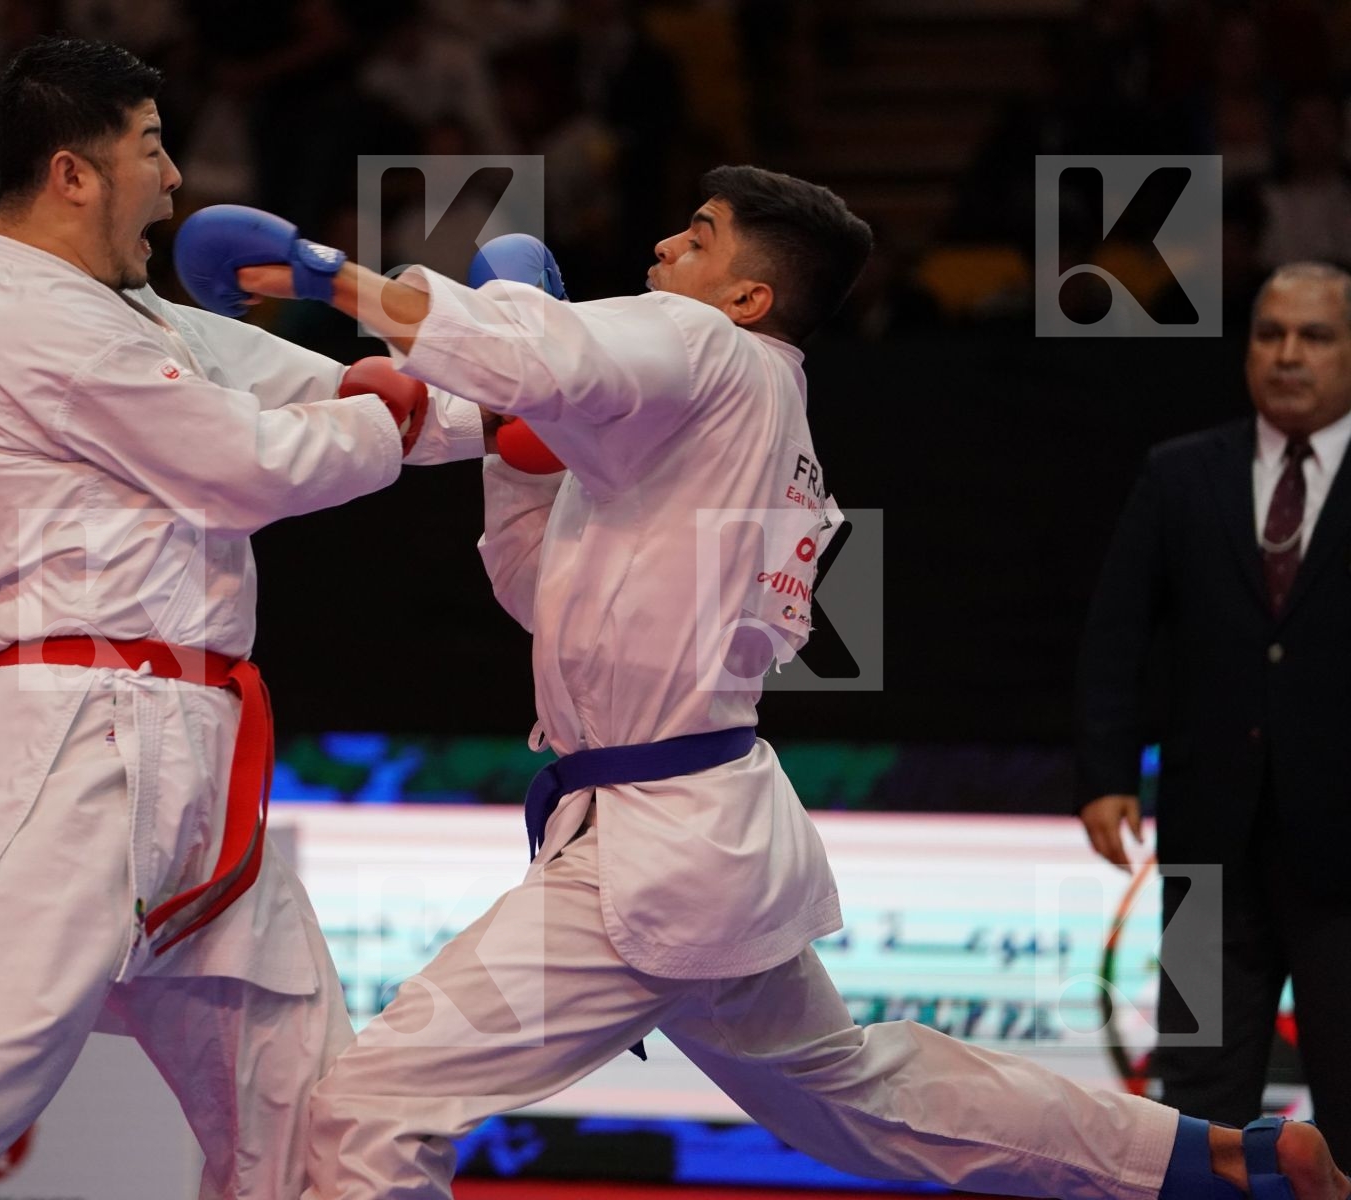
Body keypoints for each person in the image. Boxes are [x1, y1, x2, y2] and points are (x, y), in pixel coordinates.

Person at [176, 171, 1351, 1199]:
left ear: (747, 295)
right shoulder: (745, 420)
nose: (660, 250)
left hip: (648, 862)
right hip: (701, 842)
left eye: (695, 235)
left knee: (368, 1106)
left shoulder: (705, 350)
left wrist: (325, 276)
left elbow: (534, 351)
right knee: (857, 1096)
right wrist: (519, 452)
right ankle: (1200, 1157)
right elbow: (547, 594)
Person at [0, 36, 481, 1200]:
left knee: (302, 1109)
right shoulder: (22, 325)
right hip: (82, 741)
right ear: (72, 172)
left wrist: (521, 403)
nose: (173, 180)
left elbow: (309, 387)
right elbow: (247, 462)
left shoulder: (138, 317)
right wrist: (395, 423)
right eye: (152, 152)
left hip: (199, 760)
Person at [1077, 261, 1351, 1155]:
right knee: (1195, 1101)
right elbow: (1116, 633)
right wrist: (1106, 774)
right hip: (1203, 849)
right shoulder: (1179, 473)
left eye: (1315, 336)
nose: (1288, 355)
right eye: (1271, 334)